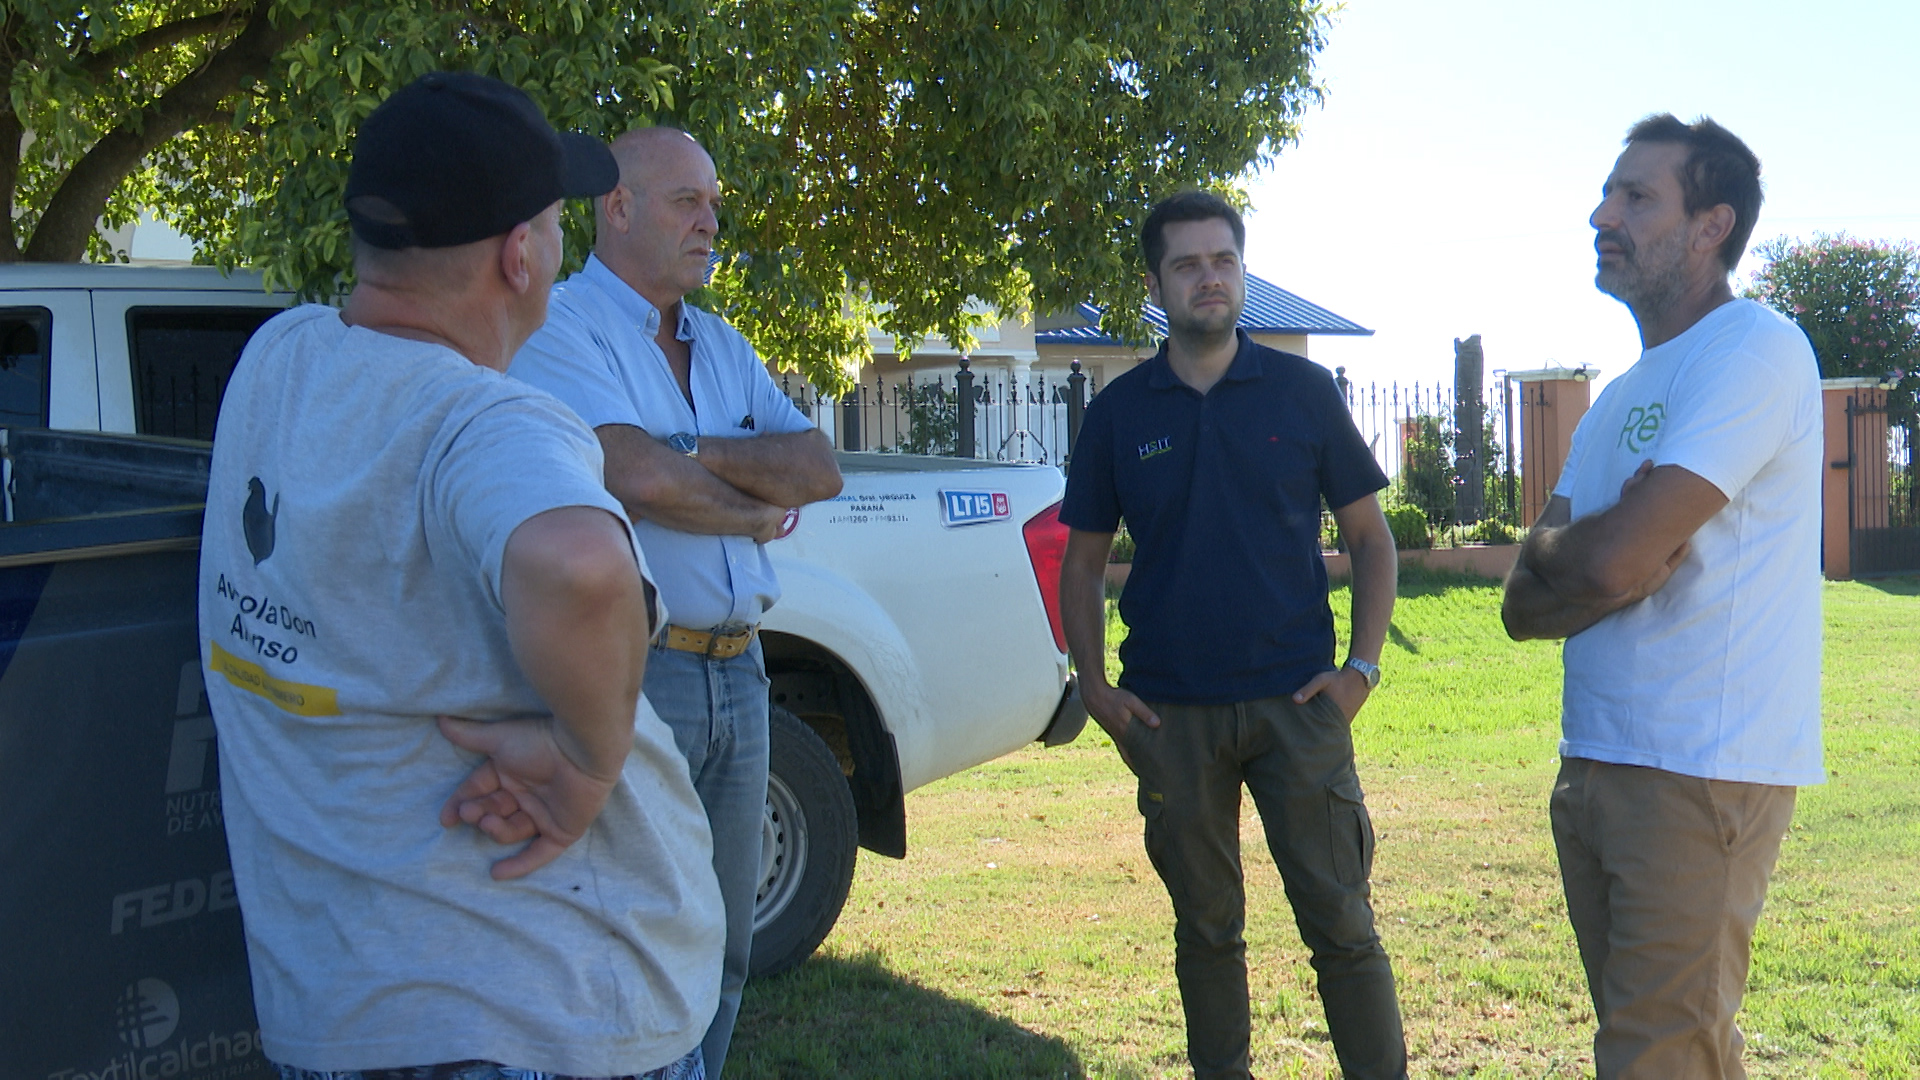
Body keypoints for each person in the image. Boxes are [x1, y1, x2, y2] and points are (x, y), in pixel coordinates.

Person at [198, 72, 723, 1080]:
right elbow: (579, 565)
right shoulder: (486, 422)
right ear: (519, 256)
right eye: (557, 224)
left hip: (337, 1018)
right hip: (543, 1017)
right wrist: (586, 762)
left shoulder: (277, 362)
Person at [509, 126, 844, 1078]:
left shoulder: (719, 342)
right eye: (688, 201)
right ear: (617, 208)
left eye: (715, 203)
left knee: (725, 948)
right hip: (637, 676)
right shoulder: (562, 327)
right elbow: (628, 473)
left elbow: (816, 466)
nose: (711, 223)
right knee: (625, 945)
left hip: (742, 676)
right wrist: (748, 506)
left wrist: (688, 452)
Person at [1057, 191, 1407, 1080]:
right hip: (1171, 717)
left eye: (1223, 261)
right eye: (1187, 264)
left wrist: (1361, 669)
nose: (1208, 278)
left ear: (1243, 273)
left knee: (1343, 926)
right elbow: (1081, 562)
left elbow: (1371, 541)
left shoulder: (1302, 392)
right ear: (1156, 284)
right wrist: (1093, 685)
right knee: (1207, 932)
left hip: (1299, 706)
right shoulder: (1120, 413)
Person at [1501, 114, 1822, 1079]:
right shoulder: (1617, 398)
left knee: (1654, 1054)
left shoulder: (1753, 351)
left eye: (1637, 196)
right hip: (1596, 762)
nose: (1602, 215)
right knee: (1677, 1047)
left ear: (1710, 225)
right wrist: (1586, 552)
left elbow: (1603, 567)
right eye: (1609, 193)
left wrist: (1589, 557)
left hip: (1698, 768)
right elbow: (1523, 604)